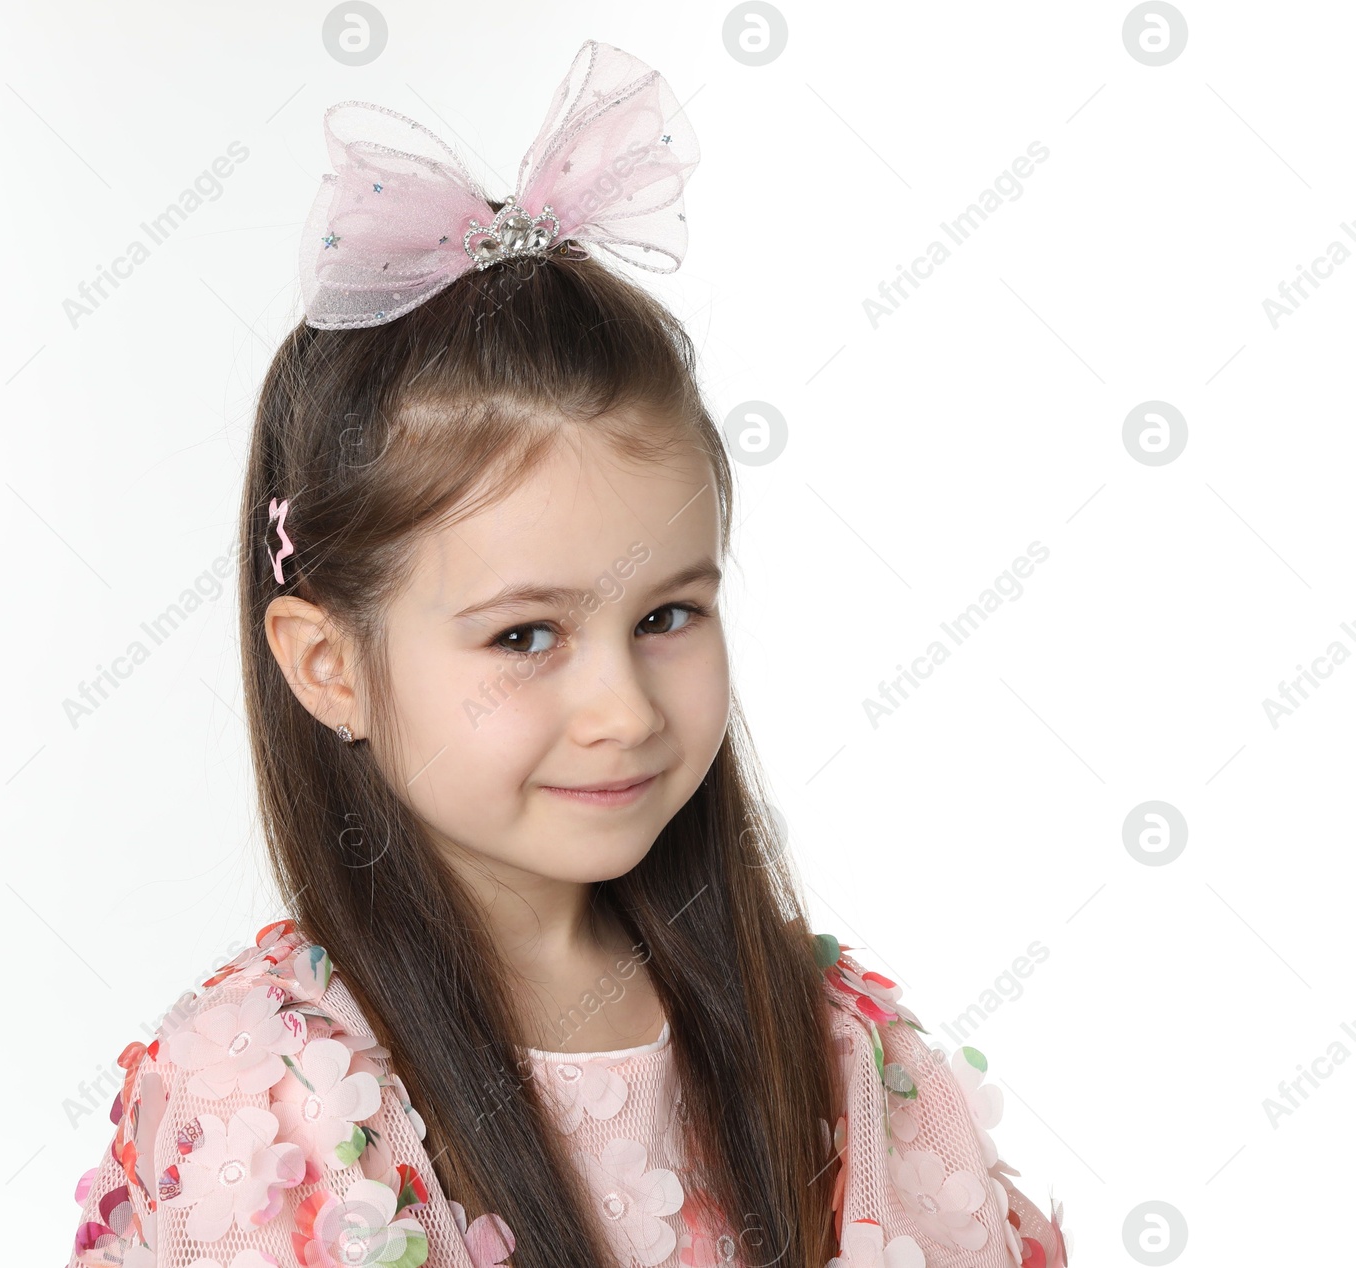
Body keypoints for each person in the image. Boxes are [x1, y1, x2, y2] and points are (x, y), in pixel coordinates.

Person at [64, 40, 1070, 1268]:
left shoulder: (839, 1051)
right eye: (525, 635)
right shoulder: (271, 1095)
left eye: (666, 616)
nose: (621, 708)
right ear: (329, 665)